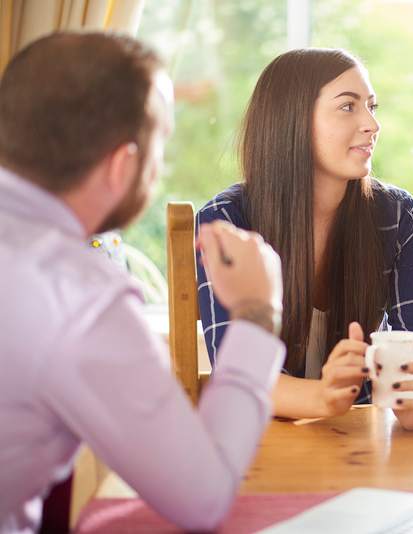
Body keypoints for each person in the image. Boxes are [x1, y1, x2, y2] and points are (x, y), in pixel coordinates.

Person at [0, 32, 285, 532]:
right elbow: (202, 498)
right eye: (161, 148)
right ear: (123, 164)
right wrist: (258, 314)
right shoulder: (79, 297)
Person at [196, 48, 413, 430]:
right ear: (292, 122)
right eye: (348, 107)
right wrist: (323, 396)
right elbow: (239, 371)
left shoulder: (401, 217)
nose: (372, 124)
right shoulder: (227, 222)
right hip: (261, 443)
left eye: (372, 106)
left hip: (359, 440)